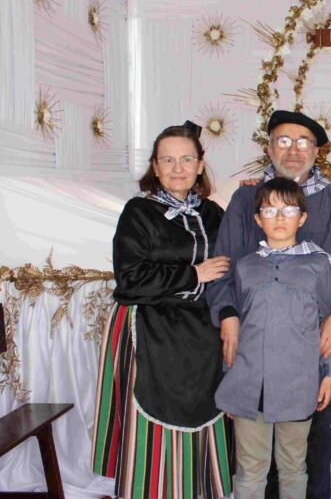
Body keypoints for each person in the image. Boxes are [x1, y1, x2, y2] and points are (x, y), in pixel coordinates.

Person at [207, 110, 331, 499]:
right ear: (269, 148)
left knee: (306, 452)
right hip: (254, 351)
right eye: (283, 141)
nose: (293, 150)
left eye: (302, 142)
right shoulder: (246, 199)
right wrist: (227, 314)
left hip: (310, 351)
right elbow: (223, 267)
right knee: (254, 460)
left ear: (316, 151)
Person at [92, 121, 233, 499]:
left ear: (200, 165)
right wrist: (194, 274)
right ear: (155, 167)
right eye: (167, 160)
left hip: (202, 334)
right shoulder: (139, 211)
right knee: (154, 406)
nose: (177, 168)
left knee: (204, 404)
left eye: (186, 159)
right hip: (149, 330)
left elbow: (235, 262)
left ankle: (198, 488)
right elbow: (129, 279)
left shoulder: (214, 213)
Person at [214, 177, 331, 499]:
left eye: (289, 210)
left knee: (293, 466)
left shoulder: (318, 265)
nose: (280, 217)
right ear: (258, 219)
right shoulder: (246, 267)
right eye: (270, 211)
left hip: (298, 385)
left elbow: (330, 327)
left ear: (303, 217)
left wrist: (329, 373)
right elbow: (235, 332)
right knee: (250, 469)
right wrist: (231, 382)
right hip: (249, 386)